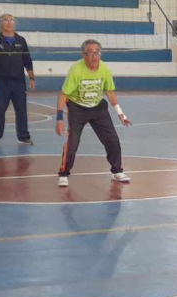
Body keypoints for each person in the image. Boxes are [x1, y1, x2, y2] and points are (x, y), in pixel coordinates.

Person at [55, 39, 132, 188]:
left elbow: (109, 91)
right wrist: (59, 118)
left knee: (113, 140)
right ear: (83, 55)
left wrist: (120, 113)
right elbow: (63, 95)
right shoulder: (76, 70)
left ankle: (116, 171)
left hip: (98, 108)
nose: (93, 56)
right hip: (77, 108)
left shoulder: (104, 69)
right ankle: (63, 174)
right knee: (72, 143)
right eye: (89, 52)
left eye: (96, 52)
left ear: (100, 54)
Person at [0, 13, 35, 145]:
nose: (9, 22)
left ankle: (24, 136)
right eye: (6, 20)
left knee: (21, 109)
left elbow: (27, 60)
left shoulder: (21, 40)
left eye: (11, 20)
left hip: (18, 81)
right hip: (1, 81)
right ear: (1, 23)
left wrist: (31, 77)